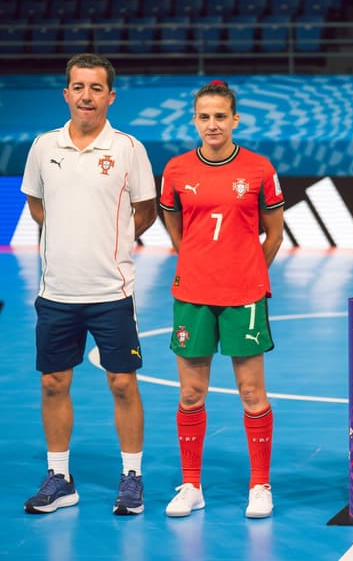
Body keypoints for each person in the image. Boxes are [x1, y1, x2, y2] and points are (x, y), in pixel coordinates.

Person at [20, 53, 157, 515]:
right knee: (54, 384)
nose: (86, 96)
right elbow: (38, 206)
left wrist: (107, 240)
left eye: (96, 88)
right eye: (78, 87)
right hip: (56, 291)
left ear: (110, 96)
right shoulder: (43, 146)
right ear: (66, 93)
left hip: (111, 292)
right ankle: (60, 477)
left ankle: (132, 476)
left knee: (122, 383)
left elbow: (145, 211)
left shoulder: (129, 149)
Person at [159, 80, 285, 519]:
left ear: (235, 120)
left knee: (252, 392)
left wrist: (247, 268)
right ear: (195, 120)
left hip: (244, 294)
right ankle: (191, 485)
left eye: (220, 117)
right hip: (192, 292)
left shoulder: (258, 168)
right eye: (204, 117)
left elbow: (274, 232)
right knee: (191, 393)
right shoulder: (176, 170)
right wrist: (195, 259)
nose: (212, 125)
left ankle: (260, 485)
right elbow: (174, 226)